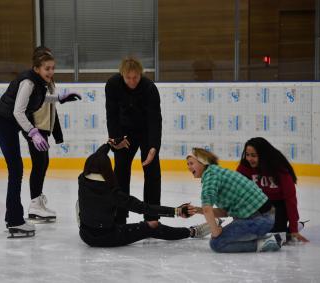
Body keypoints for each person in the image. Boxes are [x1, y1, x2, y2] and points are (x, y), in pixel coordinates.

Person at [0, 46, 81, 237]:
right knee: (16, 169)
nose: (51, 72)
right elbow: (17, 111)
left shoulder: (38, 83)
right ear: (37, 68)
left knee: (17, 169)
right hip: (2, 122)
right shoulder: (29, 82)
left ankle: (14, 218)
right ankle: (14, 221)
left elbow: (38, 99)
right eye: (47, 68)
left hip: (10, 124)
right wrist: (33, 132)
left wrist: (59, 98)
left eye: (53, 68)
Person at [77, 144, 211, 247]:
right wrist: (176, 211)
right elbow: (144, 208)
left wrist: (108, 145)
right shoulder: (113, 193)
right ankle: (193, 232)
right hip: (108, 237)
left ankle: (86, 220)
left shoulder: (82, 180)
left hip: (85, 234)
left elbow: (98, 156)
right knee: (152, 226)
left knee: (82, 202)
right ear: (107, 169)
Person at [186, 147, 282, 253]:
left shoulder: (210, 177)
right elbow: (224, 212)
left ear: (202, 162)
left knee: (217, 243)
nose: (189, 167)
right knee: (222, 236)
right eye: (188, 164)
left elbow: (207, 209)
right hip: (265, 217)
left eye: (191, 163)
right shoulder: (216, 172)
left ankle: (265, 243)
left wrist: (215, 231)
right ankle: (265, 236)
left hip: (259, 220)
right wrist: (195, 210)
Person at [105, 56, 162, 224]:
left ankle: (152, 216)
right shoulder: (113, 85)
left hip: (146, 132)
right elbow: (111, 114)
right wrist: (116, 139)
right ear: (122, 75)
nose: (131, 81)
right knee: (120, 172)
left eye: (135, 77)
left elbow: (155, 120)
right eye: (128, 77)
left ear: (141, 74)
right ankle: (119, 215)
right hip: (124, 133)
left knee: (152, 173)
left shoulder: (149, 88)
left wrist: (153, 147)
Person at [237, 137, 309, 243]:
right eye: (247, 155)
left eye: (254, 155)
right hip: (257, 205)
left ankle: (293, 229)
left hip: (277, 206)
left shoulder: (279, 167)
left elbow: (290, 198)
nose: (249, 159)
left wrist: (293, 228)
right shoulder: (244, 167)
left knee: (274, 238)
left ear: (263, 155)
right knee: (248, 233)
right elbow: (237, 192)